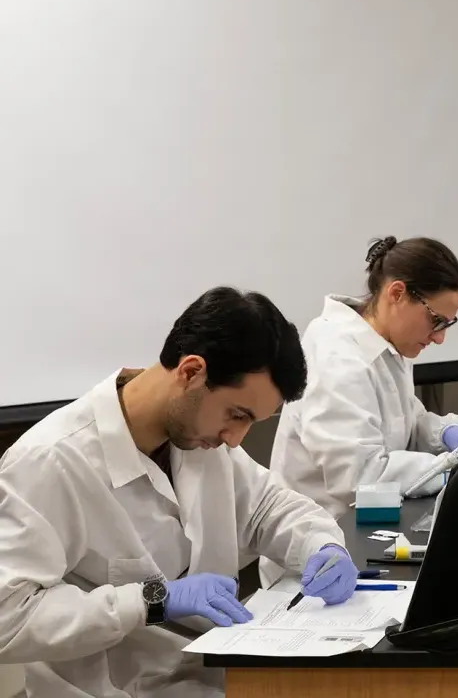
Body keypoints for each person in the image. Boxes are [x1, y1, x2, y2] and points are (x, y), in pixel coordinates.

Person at [0, 287, 360, 697]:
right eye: (237, 415)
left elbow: (268, 507)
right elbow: (8, 616)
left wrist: (322, 546)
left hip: (214, 676)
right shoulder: (51, 462)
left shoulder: (195, 438)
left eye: (251, 422)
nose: (236, 439)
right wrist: (152, 599)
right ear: (191, 372)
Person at [268, 236, 458, 525]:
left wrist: (445, 433)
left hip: (367, 525)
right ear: (397, 293)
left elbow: (403, 418)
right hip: (319, 548)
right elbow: (359, 476)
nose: (440, 338)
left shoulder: (384, 344)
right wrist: (451, 467)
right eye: (436, 320)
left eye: (447, 324)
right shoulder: (338, 357)